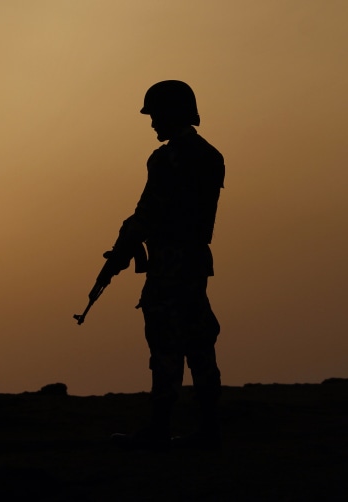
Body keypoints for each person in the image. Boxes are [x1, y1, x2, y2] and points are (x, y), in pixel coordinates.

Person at [91, 80, 225, 450]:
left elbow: (147, 213)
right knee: (200, 341)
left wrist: (120, 252)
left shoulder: (167, 159)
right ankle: (210, 427)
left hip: (170, 264)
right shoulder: (210, 156)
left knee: (166, 343)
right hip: (196, 263)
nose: (152, 125)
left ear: (172, 113)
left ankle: (160, 427)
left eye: (156, 116)